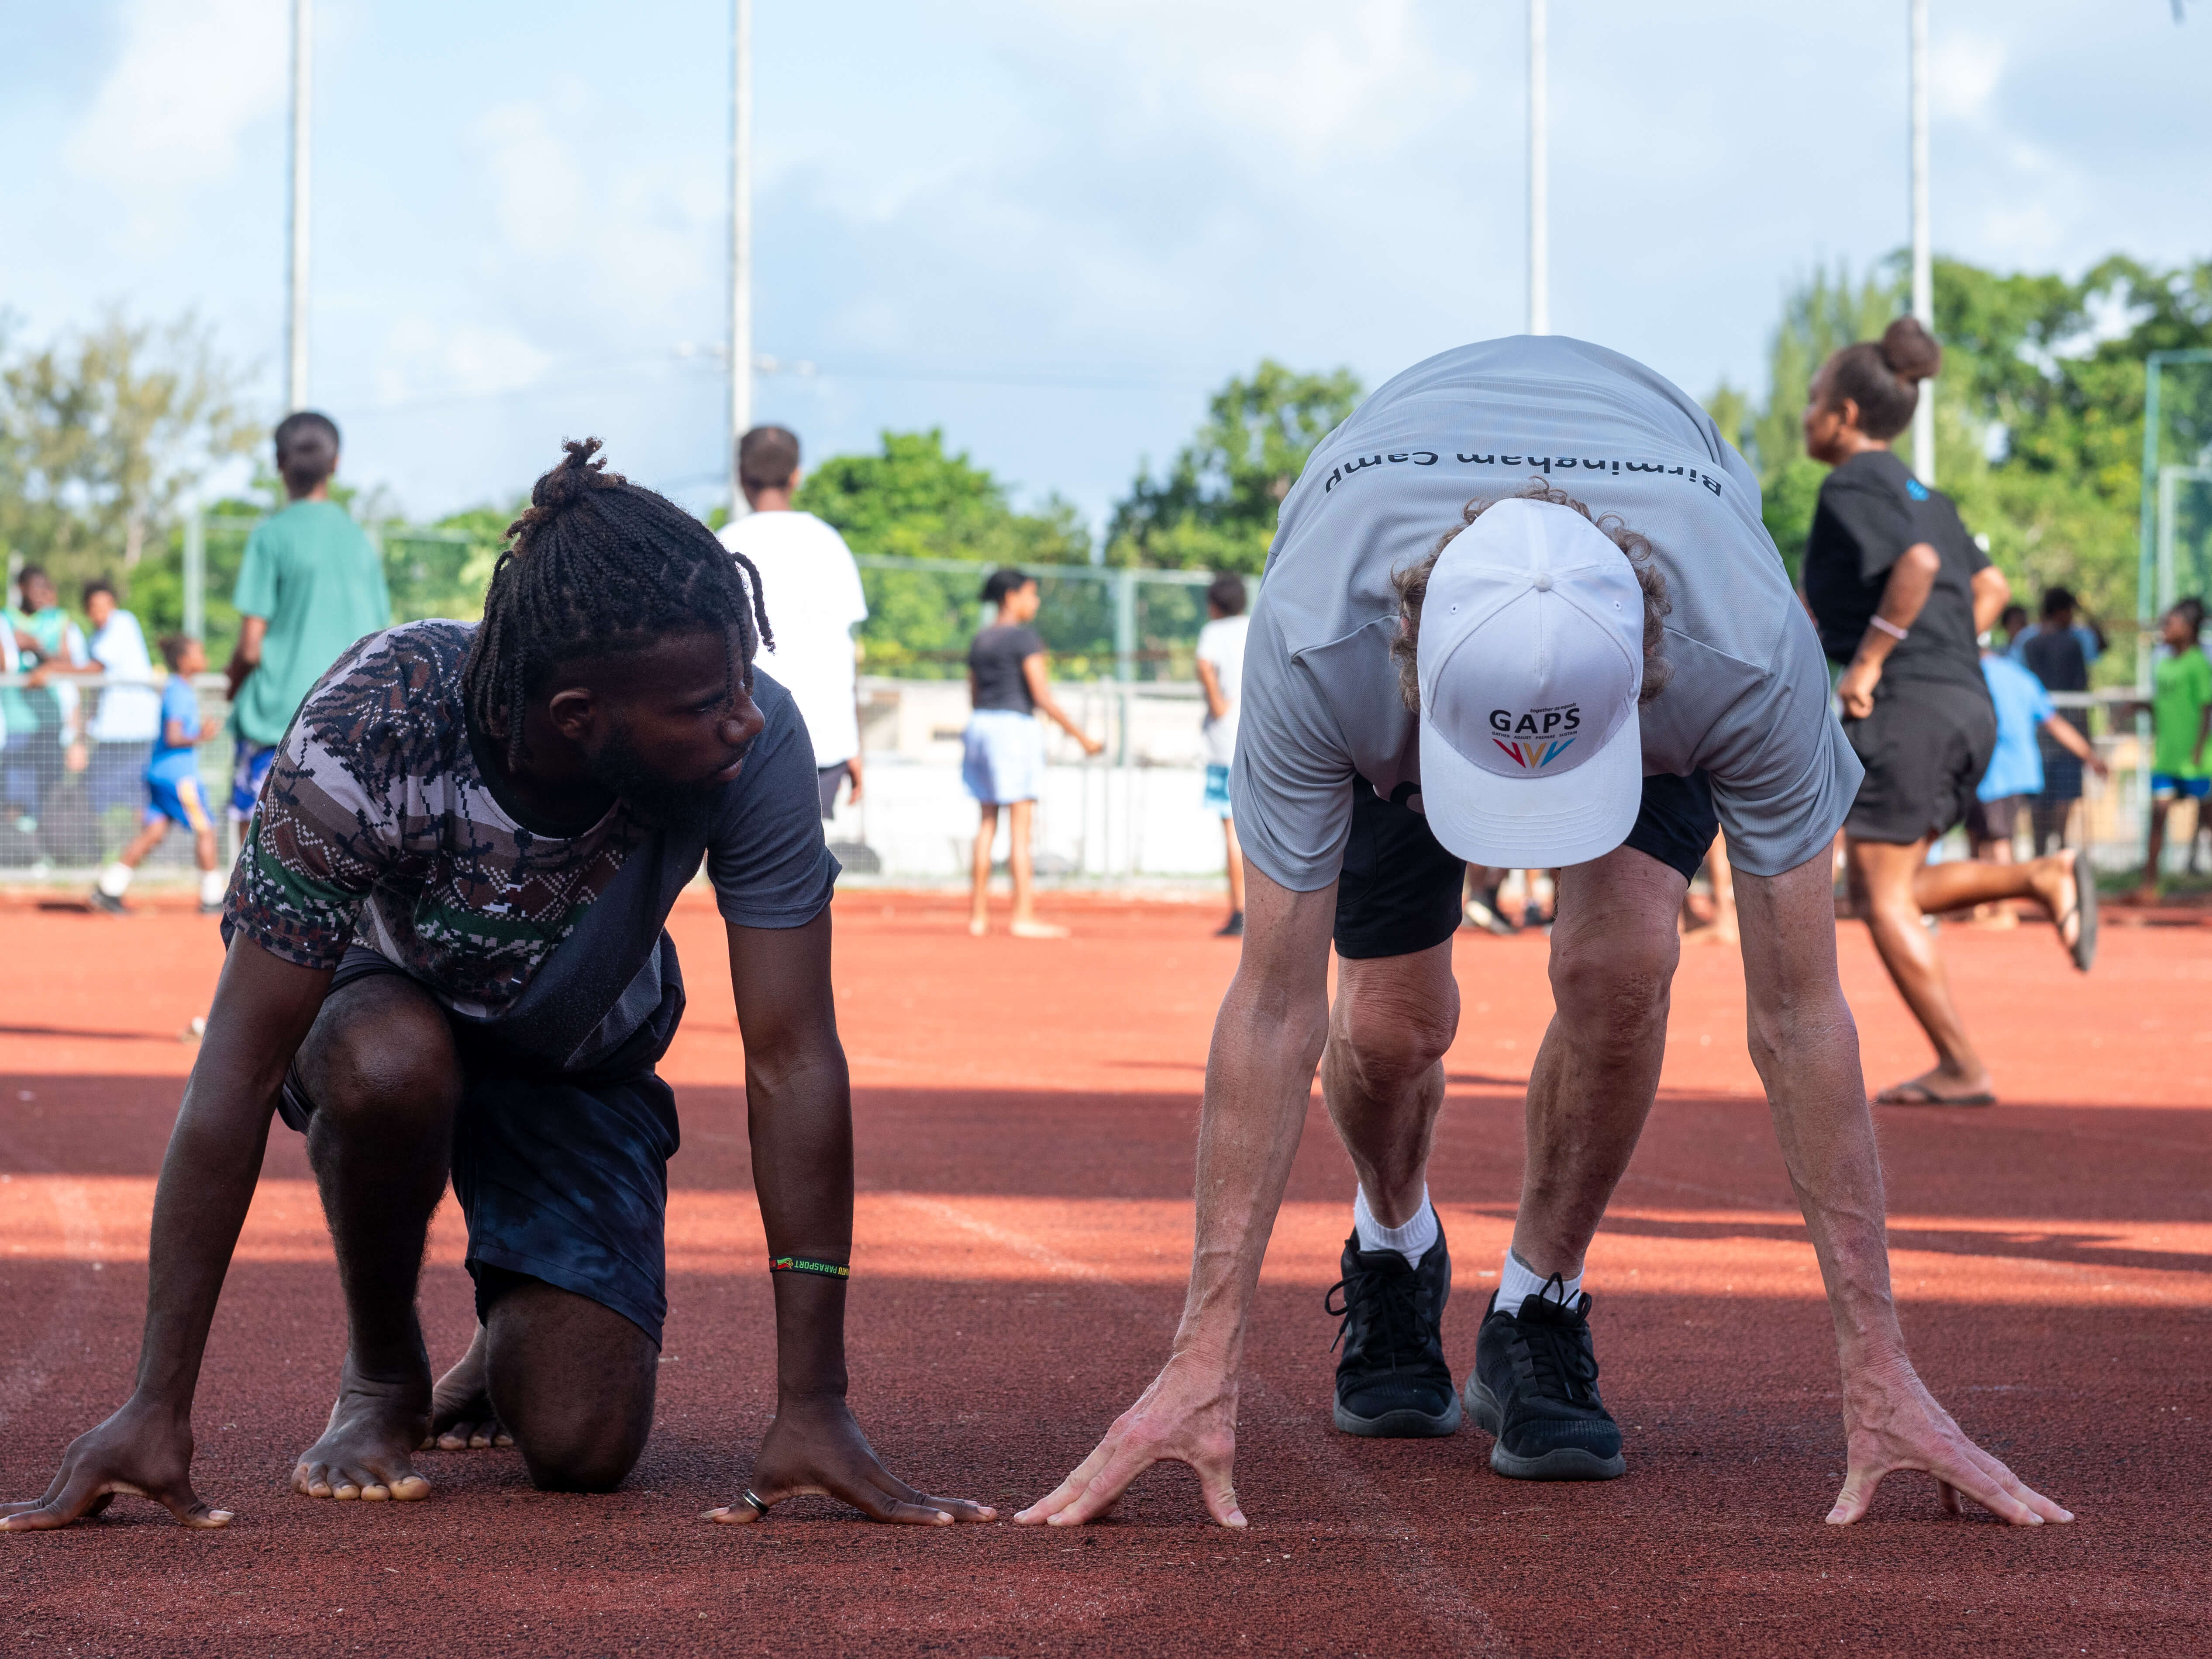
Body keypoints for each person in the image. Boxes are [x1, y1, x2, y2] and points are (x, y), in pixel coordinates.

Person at [1016, 335, 2069, 1533]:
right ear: (1412, 656)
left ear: (1647, 664)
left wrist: (1881, 1370)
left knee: (1623, 963)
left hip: (1657, 620)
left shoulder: (1741, 650)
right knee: (1388, 1022)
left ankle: (1538, 1300)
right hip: (1388, 637)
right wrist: (1199, 1360)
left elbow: (1799, 1011)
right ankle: (1392, 1239)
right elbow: (1270, 1006)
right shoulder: (1320, 643)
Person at [0, 440, 989, 1532]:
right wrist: (155, 1403)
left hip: (576, 1050)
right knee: (389, 1063)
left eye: (743, 681)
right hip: (392, 1010)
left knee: (583, 1445)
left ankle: (504, 1343)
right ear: (576, 716)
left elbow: (792, 1056)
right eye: (709, 701)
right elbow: (236, 1069)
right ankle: (384, 1372)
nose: (744, 718)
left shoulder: (749, 744)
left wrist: (814, 1403)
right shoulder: (371, 727)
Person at [1802, 318, 2095, 1108]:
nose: (1806, 414)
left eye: (1813, 399)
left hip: (1908, 706)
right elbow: (1990, 587)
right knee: (1888, 883)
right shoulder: (1928, 495)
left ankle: (1961, 1064)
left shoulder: (1851, 485)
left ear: (1846, 415)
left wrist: (1872, 660)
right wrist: (1942, 646)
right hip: (1965, 700)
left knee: (1878, 892)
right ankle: (2038, 873)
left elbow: (1919, 565)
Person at [225, 411, 391, 828]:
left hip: (276, 725)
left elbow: (250, 648)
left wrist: (230, 685)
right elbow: (381, 639)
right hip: (352, 727)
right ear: (336, 464)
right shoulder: (360, 541)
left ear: (278, 463)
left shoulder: (270, 536)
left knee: (258, 849)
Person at [718, 425, 870, 818]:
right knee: (805, 854)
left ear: (740, 475)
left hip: (741, 741)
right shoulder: (830, 544)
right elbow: (843, 653)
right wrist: (853, 744)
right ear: (797, 475)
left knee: (738, 853)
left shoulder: (721, 544)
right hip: (821, 742)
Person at [963, 567, 1103, 939]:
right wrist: (1083, 737)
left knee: (987, 823)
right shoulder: (1024, 638)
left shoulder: (980, 639)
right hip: (1013, 729)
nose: (1035, 602)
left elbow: (974, 694)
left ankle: (978, 917)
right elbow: (1041, 695)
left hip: (980, 725)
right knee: (1021, 829)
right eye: (1031, 594)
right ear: (1011, 597)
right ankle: (1022, 915)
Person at [1964, 643, 2109, 927]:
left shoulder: (1972, 674)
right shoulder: (2021, 677)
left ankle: (2004, 909)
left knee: (1997, 839)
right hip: (2011, 772)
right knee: (1982, 835)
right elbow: (2054, 722)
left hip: (1995, 771)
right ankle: (1975, 905)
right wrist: (2090, 756)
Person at [90, 635, 227, 914]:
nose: (205, 658)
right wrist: (201, 736)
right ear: (184, 661)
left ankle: (109, 888)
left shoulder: (177, 688)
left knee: (155, 831)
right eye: (199, 653)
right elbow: (174, 736)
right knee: (206, 829)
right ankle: (213, 898)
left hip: (159, 772)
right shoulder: (179, 691)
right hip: (178, 777)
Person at [3, 566, 91, 838]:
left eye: (46, 588)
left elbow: (69, 663)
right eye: (35, 588)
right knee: (14, 796)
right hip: (15, 725)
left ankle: (43, 851)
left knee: (48, 794)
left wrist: (38, 650)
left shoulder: (58, 621)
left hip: (50, 723)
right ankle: (16, 851)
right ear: (21, 589)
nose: (41, 595)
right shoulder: (6, 620)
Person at [2134, 598, 2211, 904]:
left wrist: (2199, 749)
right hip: (2166, 759)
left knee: (2208, 821)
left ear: (2188, 629)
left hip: (2196, 762)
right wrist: (2135, 707)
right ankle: (2150, 886)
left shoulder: (2198, 663)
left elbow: (2206, 708)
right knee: (2158, 816)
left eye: (2171, 623)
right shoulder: (2162, 663)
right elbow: (2160, 705)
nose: (2164, 628)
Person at [2015, 587, 2100, 855]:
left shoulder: (2027, 644)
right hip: (2067, 733)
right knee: (2063, 797)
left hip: (2036, 734)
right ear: (2061, 612)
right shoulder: (2073, 644)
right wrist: (2086, 741)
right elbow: (2081, 690)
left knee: (2040, 800)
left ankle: (2040, 855)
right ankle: (2060, 851)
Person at [77, 579, 165, 822]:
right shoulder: (96, 638)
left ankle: (141, 843)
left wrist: (51, 669)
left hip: (134, 728)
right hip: (113, 731)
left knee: (135, 793)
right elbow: (96, 689)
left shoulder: (122, 622)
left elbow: (95, 669)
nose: (100, 613)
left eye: (105, 606)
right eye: (94, 607)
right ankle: (105, 842)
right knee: (99, 790)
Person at [1196, 573, 1251, 937]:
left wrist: (1217, 701)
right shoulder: (1253, 626)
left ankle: (1241, 910)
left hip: (1223, 741)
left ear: (1214, 605)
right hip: (1257, 737)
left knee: (1232, 826)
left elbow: (1204, 664)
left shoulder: (1213, 632)